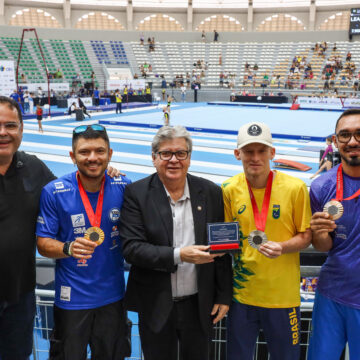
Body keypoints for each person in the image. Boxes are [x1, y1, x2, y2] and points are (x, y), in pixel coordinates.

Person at [120, 126, 232, 360]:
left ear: (189, 158)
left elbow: (221, 249)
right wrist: (179, 255)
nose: (174, 160)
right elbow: (132, 249)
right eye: (166, 153)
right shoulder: (136, 193)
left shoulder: (210, 192)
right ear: (154, 158)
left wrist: (223, 295)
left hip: (199, 305)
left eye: (181, 153)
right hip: (156, 304)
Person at [36, 124, 131, 359]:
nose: (92, 158)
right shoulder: (54, 192)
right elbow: (43, 243)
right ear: (72, 156)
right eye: (84, 152)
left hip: (113, 299)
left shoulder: (124, 186)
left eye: (100, 151)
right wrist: (68, 248)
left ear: (110, 154)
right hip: (72, 302)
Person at [222, 122, 312, 360]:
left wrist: (283, 247)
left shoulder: (296, 188)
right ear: (237, 154)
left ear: (272, 153)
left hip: (283, 298)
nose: (255, 157)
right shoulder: (228, 189)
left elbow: (305, 236)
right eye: (248, 151)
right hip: (242, 297)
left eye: (261, 151)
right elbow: (223, 238)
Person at [0, 96, 56, 359]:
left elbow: (70, 199)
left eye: (10, 125)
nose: (3, 133)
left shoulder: (33, 168)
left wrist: (105, 174)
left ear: (21, 129)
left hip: (19, 297)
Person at [308, 109, 360, 360]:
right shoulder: (322, 186)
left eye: (359, 134)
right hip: (333, 294)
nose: (352, 141)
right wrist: (318, 232)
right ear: (336, 141)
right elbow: (323, 246)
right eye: (345, 135)